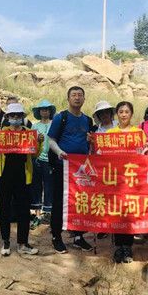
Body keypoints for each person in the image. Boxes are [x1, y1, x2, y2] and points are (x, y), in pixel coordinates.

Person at [0, 103, 43, 256]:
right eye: (12, 115)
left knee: (24, 210)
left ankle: (22, 243)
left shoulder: (29, 133)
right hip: (4, 176)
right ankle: (5, 241)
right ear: (7, 117)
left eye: (18, 115)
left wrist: (39, 142)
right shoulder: (1, 134)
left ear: (22, 117)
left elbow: (34, 154)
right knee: (4, 209)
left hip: (23, 176)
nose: (15, 117)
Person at [47, 86, 94, 253]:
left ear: (84, 99)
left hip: (80, 169)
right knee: (59, 202)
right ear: (68, 99)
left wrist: (91, 142)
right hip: (63, 168)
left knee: (79, 201)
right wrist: (59, 152)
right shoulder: (61, 117)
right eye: (74, 95)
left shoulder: (88, 120)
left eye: (80, 95)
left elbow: (89, 144)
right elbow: (51, 140)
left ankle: (78, 236)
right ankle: (56, 236)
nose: (77, 98)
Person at [106, 101, 147, 263]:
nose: (124, 114)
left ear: (131, 114)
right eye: (121, 112)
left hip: (132, 177)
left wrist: (146, 148)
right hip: (116, 178)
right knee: (117, 212)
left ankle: (128, 246)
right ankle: (118, 246)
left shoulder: (139, 133)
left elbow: (144, 155)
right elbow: (103, 154)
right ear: (117, 114)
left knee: (129, 212)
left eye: (127, 112)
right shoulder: (110, 133)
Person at [30, 99, 56, 226]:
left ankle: (48, 213)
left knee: (49, 186)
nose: (45, 111)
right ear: (39, 112)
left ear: (50, 111)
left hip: (50, 160)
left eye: (47, 109)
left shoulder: (54, 124)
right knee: (36, 186)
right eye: (42, 109)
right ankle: (37, 214)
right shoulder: (35, 126)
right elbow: (30, 143)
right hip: (37, 159)